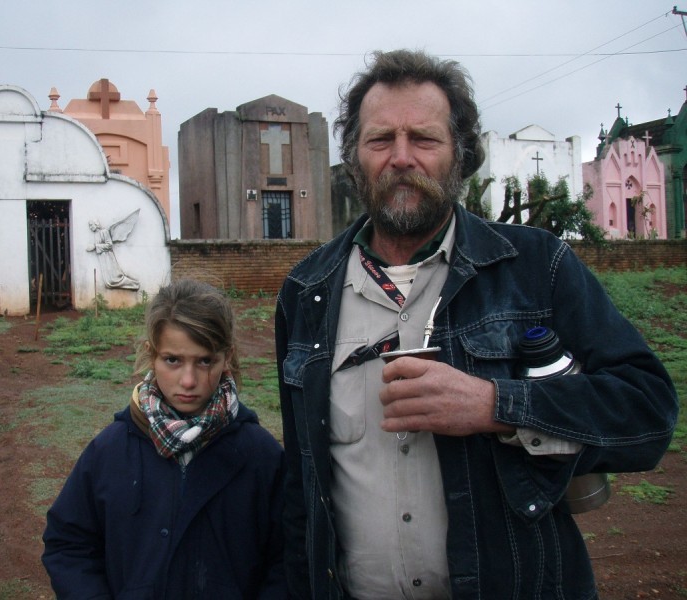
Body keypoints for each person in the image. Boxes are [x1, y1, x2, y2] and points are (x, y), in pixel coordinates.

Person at [275, 49, 678, 599]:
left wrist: (496, 406)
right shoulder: (306, 292)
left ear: (460, 156)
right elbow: (302, 488)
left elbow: (648, 413)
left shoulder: (536, 267)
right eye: (380, 139)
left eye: (424, 139)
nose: (401, 157)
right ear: (353, 159)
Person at [43, 278, 288, 599]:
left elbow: (288, 560)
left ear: (226, 357)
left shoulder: (260, 456)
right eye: (173, 360)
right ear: (152, 354)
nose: (188, 381)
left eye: (205, 361)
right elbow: (68, 545)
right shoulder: (110, 451)